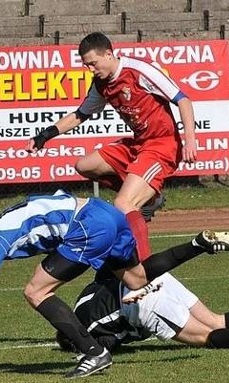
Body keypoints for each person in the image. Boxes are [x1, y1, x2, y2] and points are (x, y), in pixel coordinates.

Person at [0, 190, 229, 379]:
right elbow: (48, 201)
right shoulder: (1, 219)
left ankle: (94, 352)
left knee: (35, 291)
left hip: (87, 225)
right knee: (136, 277)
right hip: (104, 212)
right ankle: (198, 244)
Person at [27, 32, 197, 261]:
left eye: (93, 64)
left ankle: (142, 269)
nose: (90, 70)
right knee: (85, 165)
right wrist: (44, 135)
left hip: (162, 145)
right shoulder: (101, 84)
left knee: (123, 204)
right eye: (86, 65)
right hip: (138, 144)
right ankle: (147, 199)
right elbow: (81, 114)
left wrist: (190, 139)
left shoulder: (138, 71)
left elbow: (182, 99)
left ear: (108, 54)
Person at [56, 271, 229, 355]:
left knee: (207, 335)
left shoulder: (87, 332)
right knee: (216, 319)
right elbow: (103, 275)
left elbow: (112, 343)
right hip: (150, 277)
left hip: (141, 303)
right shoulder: (82, 299)